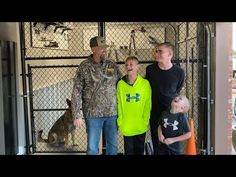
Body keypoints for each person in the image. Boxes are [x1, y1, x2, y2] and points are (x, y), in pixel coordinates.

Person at [71, 36, 122, 155]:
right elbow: (76, 91)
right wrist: (76, 114)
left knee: (112, 146)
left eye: (105, 48)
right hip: (93, 114)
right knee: (92, 148)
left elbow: (121, 84)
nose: (105, 50)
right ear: (93, 49)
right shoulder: (84, 66)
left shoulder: (112, 65)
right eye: (101, 48)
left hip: (112, 112)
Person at [145, 42, 185, 155]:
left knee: (172, 144)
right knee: (158, 142)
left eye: (160, 51)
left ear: (170, 54)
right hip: (155, 112)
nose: (156, 53)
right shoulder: (150, 70)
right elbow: (147, 87)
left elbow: (177, 90)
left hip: (171, 113)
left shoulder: (179, 72)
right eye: (156, 51)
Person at [117, 56, 151, 155]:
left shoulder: (145, 84)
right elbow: (119, 103)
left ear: (138, 67)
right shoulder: (121, 84)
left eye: (131, 64)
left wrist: (145, 119)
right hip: (127, 125)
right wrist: (121, 120)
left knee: (139, 150)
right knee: (129, 151)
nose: (128, 66)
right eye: (126, 65)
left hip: (140, 124)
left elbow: (148, 103)